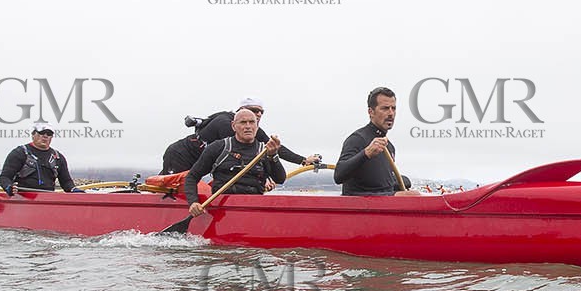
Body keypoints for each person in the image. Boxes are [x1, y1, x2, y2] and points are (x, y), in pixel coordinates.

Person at [162, 97, 318, 174]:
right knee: (170, 190)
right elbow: (238, 156)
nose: (258, 114)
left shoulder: (251, 127)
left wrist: (303, 160)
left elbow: (273, 147)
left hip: (200, 161)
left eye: (260, 112)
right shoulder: (225, 123)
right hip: (180, 154)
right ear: (241, 110)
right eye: (253, 110)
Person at [185, 107, 286, 215]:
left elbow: (280, 179)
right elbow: (192, 177)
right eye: (243, 122)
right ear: (233, 126)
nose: (248, 126)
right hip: (222, 208)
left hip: (254, 207)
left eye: (252, 122)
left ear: (257, 126)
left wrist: (273, 156)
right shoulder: (218, 147)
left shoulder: (264, 151)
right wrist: (193, 202)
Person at [335, 87, 413, 196]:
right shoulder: (357, 139)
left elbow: (380, 185)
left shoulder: (389, 147)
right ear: (371, 112)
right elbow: (338, 176)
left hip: (384, 207)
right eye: (385, 108)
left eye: (393, 108)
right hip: (361, 208)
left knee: (412, 192)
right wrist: (366, 153)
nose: (391, 113)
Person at [0, 123, 79, 195]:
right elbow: (5, 177)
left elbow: (66, 182)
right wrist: (8, 187)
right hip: (23, 199)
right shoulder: (20, 153)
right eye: (41, 133)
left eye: (49, 134)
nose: (45, 136)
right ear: (33, 134)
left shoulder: (58, 157)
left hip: (48, 199)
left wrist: (74, 190)